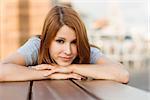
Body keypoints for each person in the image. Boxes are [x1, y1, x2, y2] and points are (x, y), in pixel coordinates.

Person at [0, 5, 129, 83]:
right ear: (47, 41)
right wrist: (53, 75)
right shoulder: (36, 46)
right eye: (60, 41)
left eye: (74, 42)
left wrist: (71, 68)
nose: (68, 51)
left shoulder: (85, 50)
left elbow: (122, 74)